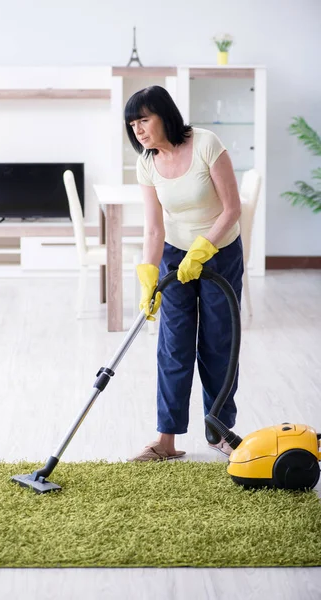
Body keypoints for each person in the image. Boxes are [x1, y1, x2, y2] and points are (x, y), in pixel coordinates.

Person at [125, 85, 243, 462]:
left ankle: (219, 431)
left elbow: (232, 209)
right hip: (175, 255)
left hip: (220, 251)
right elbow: (154, 228)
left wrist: (204, 248)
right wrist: (148, 276)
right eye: (133, 124)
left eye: (144, 119)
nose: (139, 130)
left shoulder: (206, 144)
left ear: (165, 115)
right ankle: (166, 441)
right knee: (173, 346)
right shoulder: (146, 163)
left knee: (218, 343)